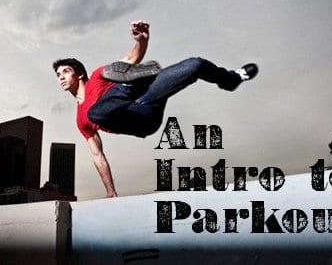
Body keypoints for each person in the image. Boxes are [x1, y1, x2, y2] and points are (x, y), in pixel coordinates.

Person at [53, 20, 258, 198]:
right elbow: (98, 155)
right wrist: (110, 191)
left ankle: (230, 80)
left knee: (196, 64)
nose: (61, 76)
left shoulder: (98, 76)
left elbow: (131, 59)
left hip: (148, 96)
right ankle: (128, 85)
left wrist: (141, 40)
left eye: (65, 71)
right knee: (95, 112)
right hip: (141, 120)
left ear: (79, 74)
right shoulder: (81, 119)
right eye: (58, 74)